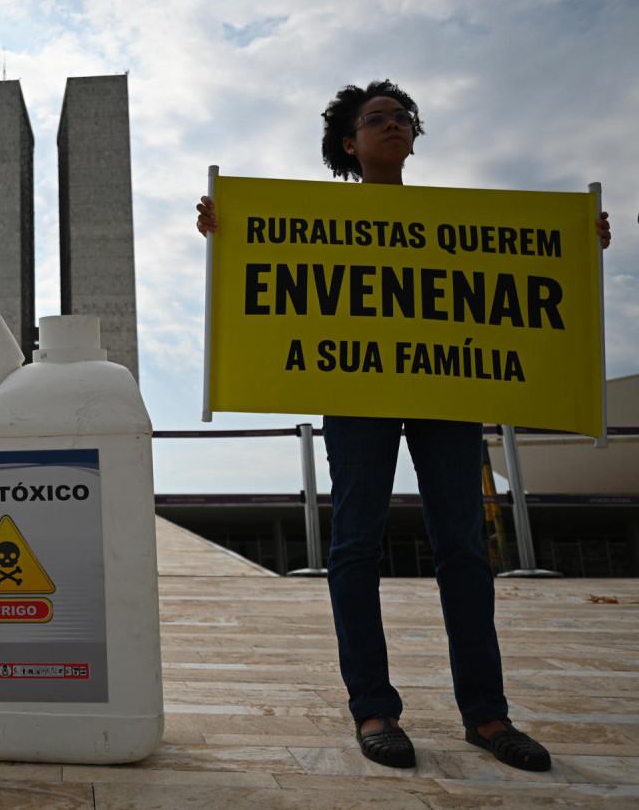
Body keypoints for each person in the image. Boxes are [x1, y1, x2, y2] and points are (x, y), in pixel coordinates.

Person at [195, 80, 612, 772]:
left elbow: (529, 271)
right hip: (357, 393)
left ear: (415, 137)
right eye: (376, 119)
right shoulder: (313, 217)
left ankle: (487, 713)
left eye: (403, 118)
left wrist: (573, 243)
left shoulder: (456, 222)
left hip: (447, 391)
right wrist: (226, 230)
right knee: (356, 543)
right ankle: (374, 708)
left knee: (465, 547)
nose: (393, 125)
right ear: (349, 144)